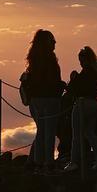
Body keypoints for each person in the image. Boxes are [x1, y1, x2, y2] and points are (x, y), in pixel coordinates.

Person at [23, 29, 66, 170]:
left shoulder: (33, 59)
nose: (55, 43)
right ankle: (47, 162)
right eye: (52, 40)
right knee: (49, 132)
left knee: (41, 130)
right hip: (50, 99)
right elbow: (52, 81)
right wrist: (61, 86)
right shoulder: (50, 60)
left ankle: (34, 161)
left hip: (35, 100)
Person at [64, 46, 97, 172]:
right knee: (90, 133)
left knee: (76, 135)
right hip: (93, 104)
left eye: (81, 60)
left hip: (82, 104)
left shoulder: (84, 73)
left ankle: (74, 162)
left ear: (85, 60)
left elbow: (74, 89)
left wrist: (72, 79)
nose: (80, 63)